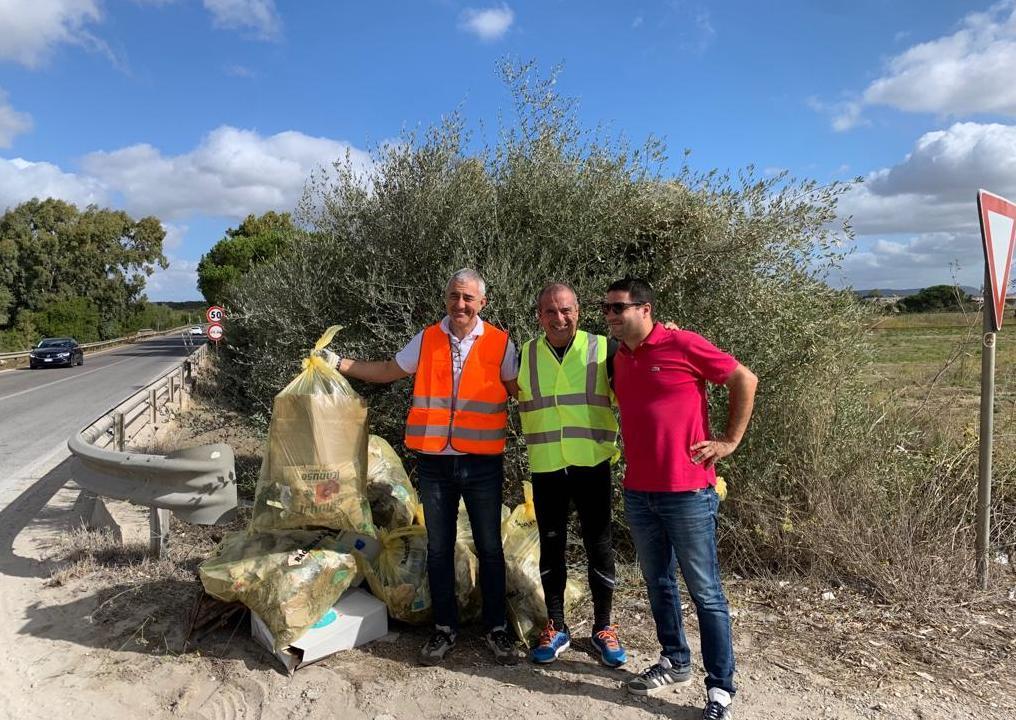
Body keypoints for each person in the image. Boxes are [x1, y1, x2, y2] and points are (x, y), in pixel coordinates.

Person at [318, 268, 520, 666]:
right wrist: (339, 363)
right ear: (445, 298)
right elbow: (388, 371)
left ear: (482, 302)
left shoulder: (501, 343)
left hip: (482, 464)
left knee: (490, 548)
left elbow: (520, 392)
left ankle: (496, 629)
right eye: (454, 296)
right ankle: (444, 628)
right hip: (435, 464)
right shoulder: (427, 338)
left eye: (468, 298)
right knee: (439, 549)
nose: (460, 304)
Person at [604, 277, 757, 720]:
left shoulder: (683, 343)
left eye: (618, 308)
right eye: (606, 308)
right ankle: (675, 661)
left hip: (688, 491)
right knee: (658, 583)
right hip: (640, 492)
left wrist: (729, 441)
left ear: (645, 309)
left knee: (706, 592)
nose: (611, 316)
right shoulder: (619, 355)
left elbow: (744, 379)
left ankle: (721, 688)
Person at [516, 282, 627, 667]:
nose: (559, 318)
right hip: (547, 466)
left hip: (591, 464)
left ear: (578, 312)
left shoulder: (603, 348)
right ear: (539, 316)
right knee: (551, 548)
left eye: (565, 310)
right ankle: (556, 626)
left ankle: (603, 627)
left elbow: (644, 367)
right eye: (550, 311)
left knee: (600, 546)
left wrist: (668, 334)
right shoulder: (526, 354)